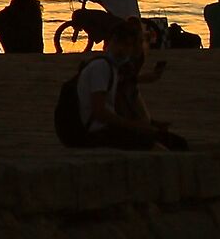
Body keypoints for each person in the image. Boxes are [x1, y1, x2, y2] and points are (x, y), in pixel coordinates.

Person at [73, 19, 185, 150]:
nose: (124, 50)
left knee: (175, 143)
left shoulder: (113, 69)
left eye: (129, 46)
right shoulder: (102, 67)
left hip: (110, 129)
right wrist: (134, 126)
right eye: (122, 45)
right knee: (161, 147)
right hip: (99, 133)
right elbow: (100, 112)